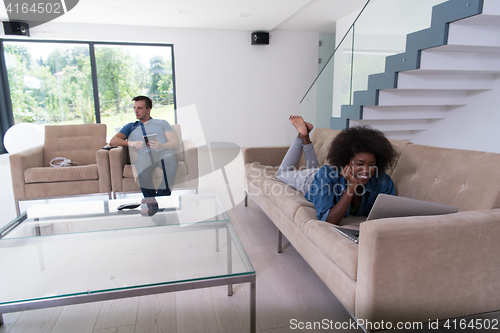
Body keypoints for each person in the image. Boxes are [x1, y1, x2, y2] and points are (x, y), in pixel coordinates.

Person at [276, 116, 396, 225]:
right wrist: (351, 186)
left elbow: (389, 216)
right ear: (345, 162)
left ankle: (305, 135)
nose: (366, 171)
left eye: (372, 165)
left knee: (316, 169)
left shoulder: (383, 182)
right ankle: (301, 136)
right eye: (360, 164)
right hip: (310, 181)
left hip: (321, 173)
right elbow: (329, 220)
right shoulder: (326, 176)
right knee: (281, 174)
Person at [110, 96, 178, 198]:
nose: (136, 111)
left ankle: (161, 199)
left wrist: (161, 145)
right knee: (142, 169)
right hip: (145, 155)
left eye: (140, 108)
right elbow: (113, 141)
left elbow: (174, 143)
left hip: (163, 152)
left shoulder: (162, 123)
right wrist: (131, 143)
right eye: (134, 108)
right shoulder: (130, 126)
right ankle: (150, 201)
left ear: (148, 110)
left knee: (172, 163)